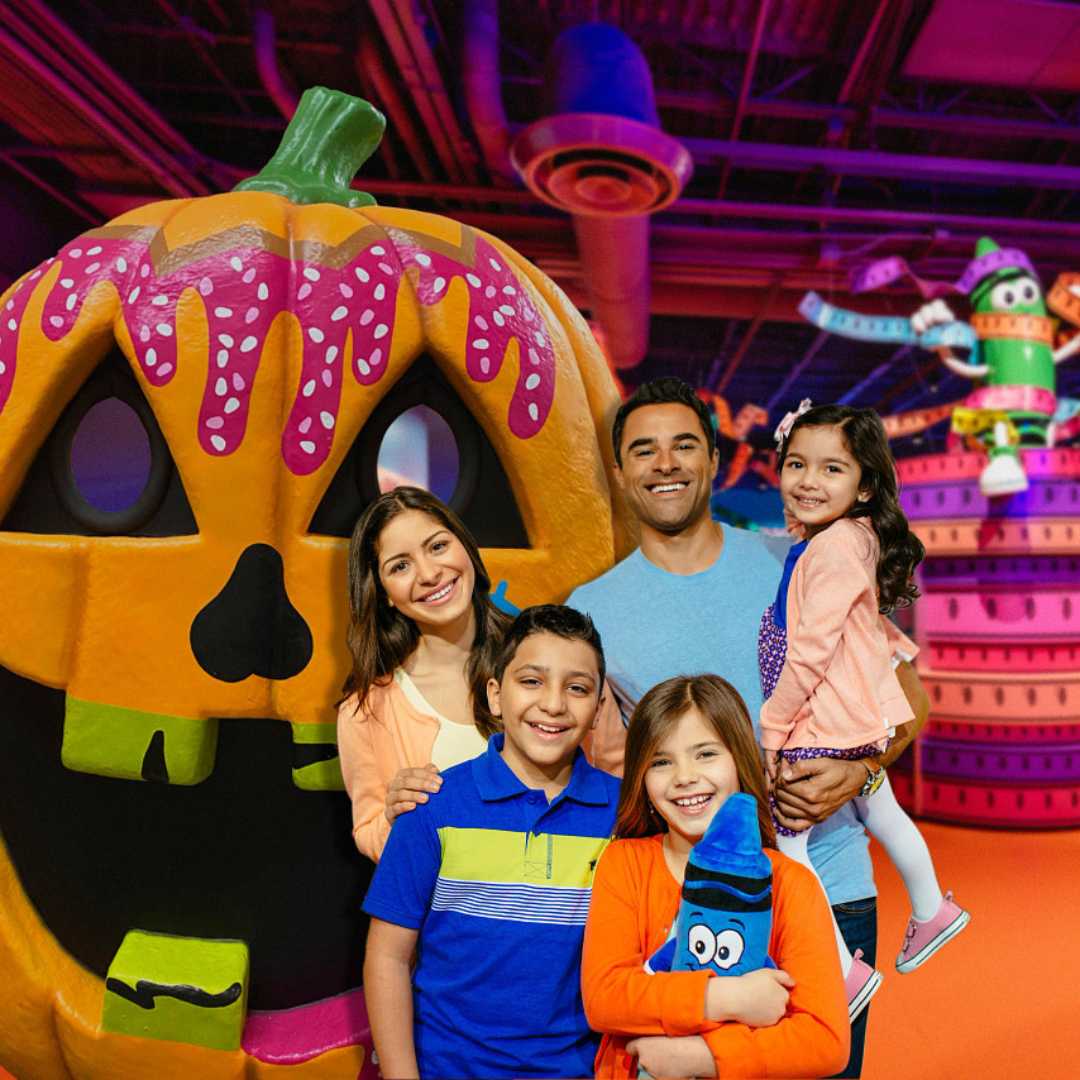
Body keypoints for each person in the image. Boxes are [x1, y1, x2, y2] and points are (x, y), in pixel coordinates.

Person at [567, 377, 929, 1077]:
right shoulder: (594, 609)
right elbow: (579, 748)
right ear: (619, 472)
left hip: (826, 883)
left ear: (713, 457)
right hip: (687, 912)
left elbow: (904, 693)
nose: (664, 464)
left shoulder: (793, 560)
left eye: (683, 446)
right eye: (644, 450)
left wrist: (861, 770)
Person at [760, 403, 969, 1017]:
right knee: (883, 810)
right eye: (796, 463)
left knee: (788, 842)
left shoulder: (831, 551)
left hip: (817, 720)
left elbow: (811, 650)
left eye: (831, 469)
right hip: (849, 722)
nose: (807, 481)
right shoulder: (848, 540)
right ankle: (932, 909)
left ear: (865, 485)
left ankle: (837, 968)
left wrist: (775, 725)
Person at [361, 605, 620, 1079]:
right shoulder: (431, 806)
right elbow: (387, 956)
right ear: (496, 696)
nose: (554, 704)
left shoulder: (623, 816)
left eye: (577, 688)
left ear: (600, 707)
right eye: (532, 681)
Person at [582, 674, 849, 1079]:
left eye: (705, 754)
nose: (684, 776)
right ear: (641, 776)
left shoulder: (791, 884)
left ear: (740, 760)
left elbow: (825, 1042)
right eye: (661, 761)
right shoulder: (624, 864)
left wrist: (702, 1057)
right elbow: (605, 998)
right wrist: (726, 997)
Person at [337, 486, 510, 862]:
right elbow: (369, 835)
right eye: (400, 566)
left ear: (465, 546)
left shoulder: (546, 653)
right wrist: (394, 815)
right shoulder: (364, 711)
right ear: (382, 591)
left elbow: (614, 777)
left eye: (437, 546)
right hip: (449, 917)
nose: (430, 573)